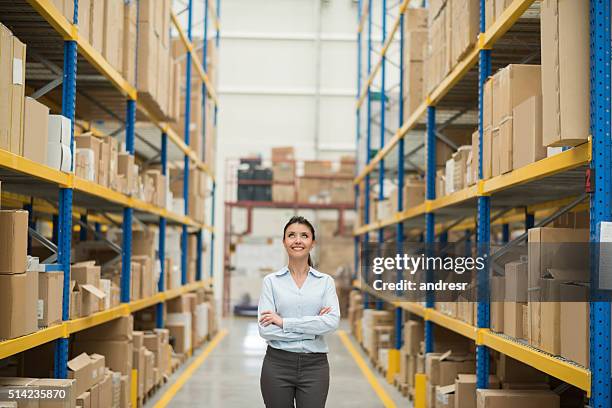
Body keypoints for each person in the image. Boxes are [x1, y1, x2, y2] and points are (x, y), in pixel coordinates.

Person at [258, 216, 340, 408]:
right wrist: (313, 328)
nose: (297, 240)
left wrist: (284, 322)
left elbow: (331, 323)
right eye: (291, 235)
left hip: (315, 367)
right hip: (277, 364)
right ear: (284, 242)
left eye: (304, 235)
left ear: (312, 243)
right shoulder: (271, 282)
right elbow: (266, 330)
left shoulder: (325, 282)